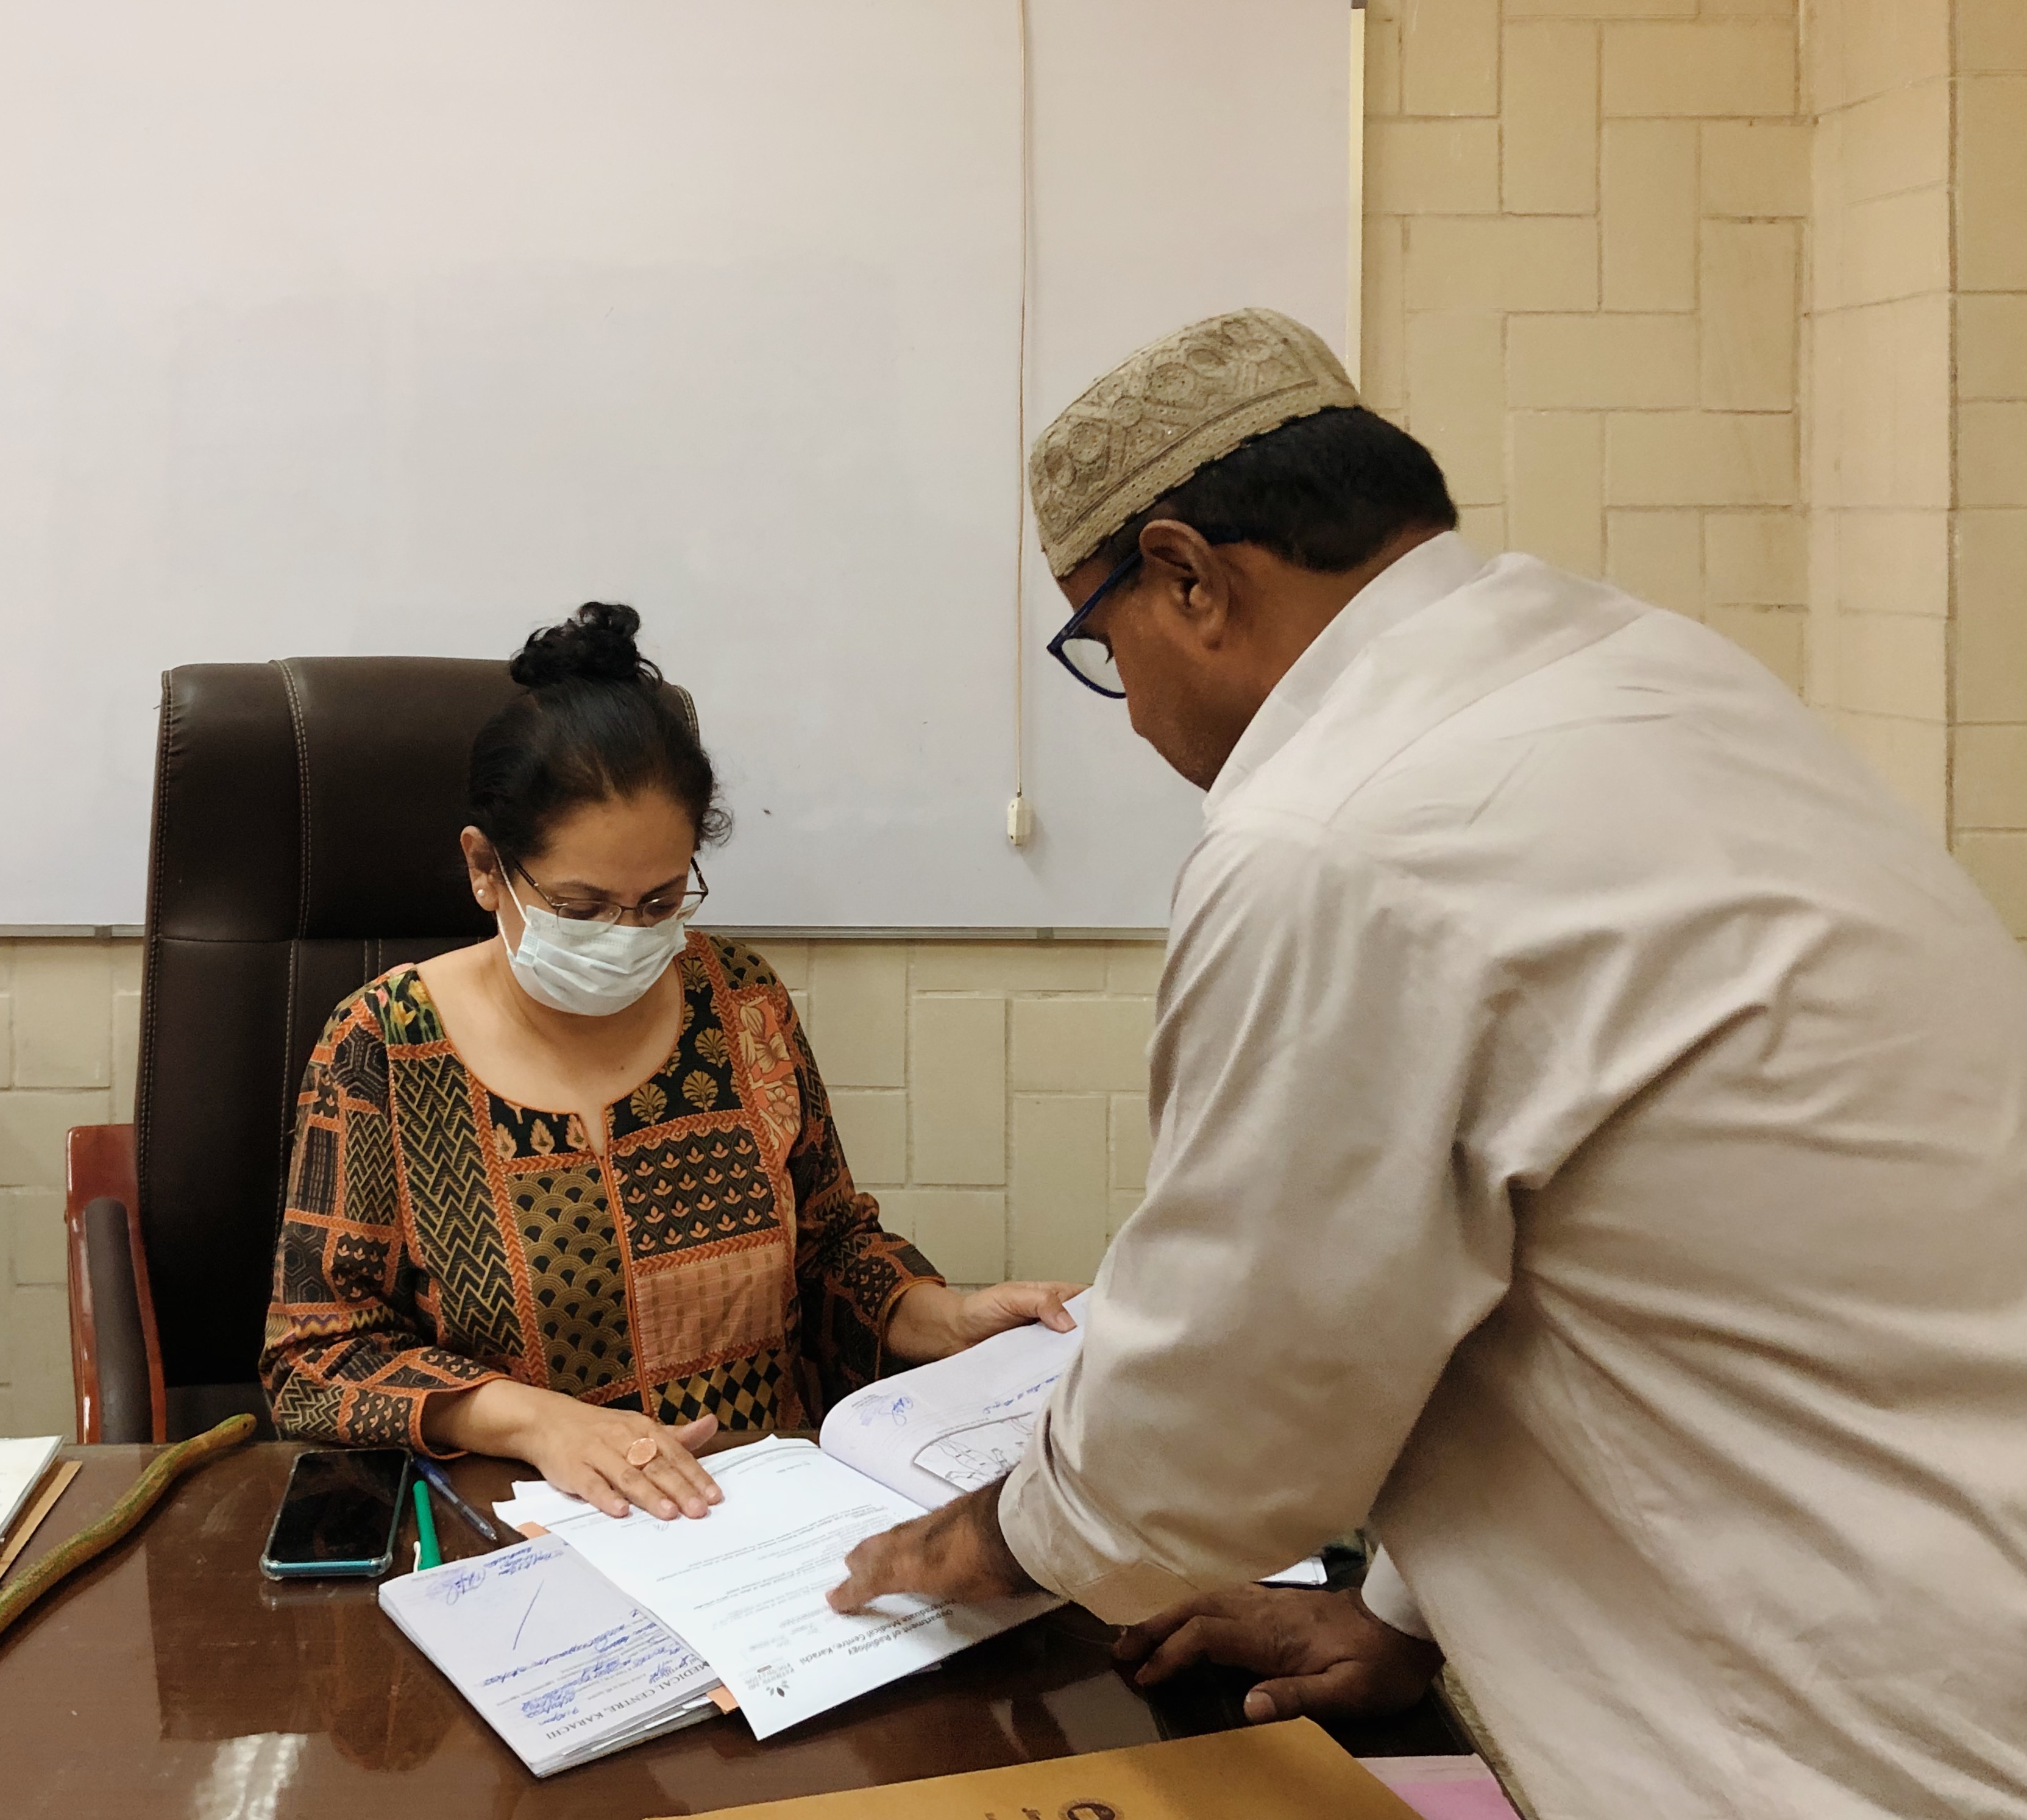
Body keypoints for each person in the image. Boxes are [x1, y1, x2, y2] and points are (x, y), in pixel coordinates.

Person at [826, 308, 2027, 1819]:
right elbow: (1598, 1240)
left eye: (1097, 645)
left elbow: (1219, 1418)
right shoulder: (1646, 670)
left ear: (1188, 576)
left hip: (1839, 1726)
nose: (1124, 708)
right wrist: (1402, 1610)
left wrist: (976, 1542)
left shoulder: (1337, 835)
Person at [260, 602, 1081, 1521]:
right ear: (486, 868)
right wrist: (537, 1422)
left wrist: (949, 1319)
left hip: (758, 1519)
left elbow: (831, 1252)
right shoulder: (386, 1046)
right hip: (516, 1525)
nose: (627, 936)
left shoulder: (739, 1002)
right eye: (582, 906)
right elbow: (315, 1356)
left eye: (658, 901)